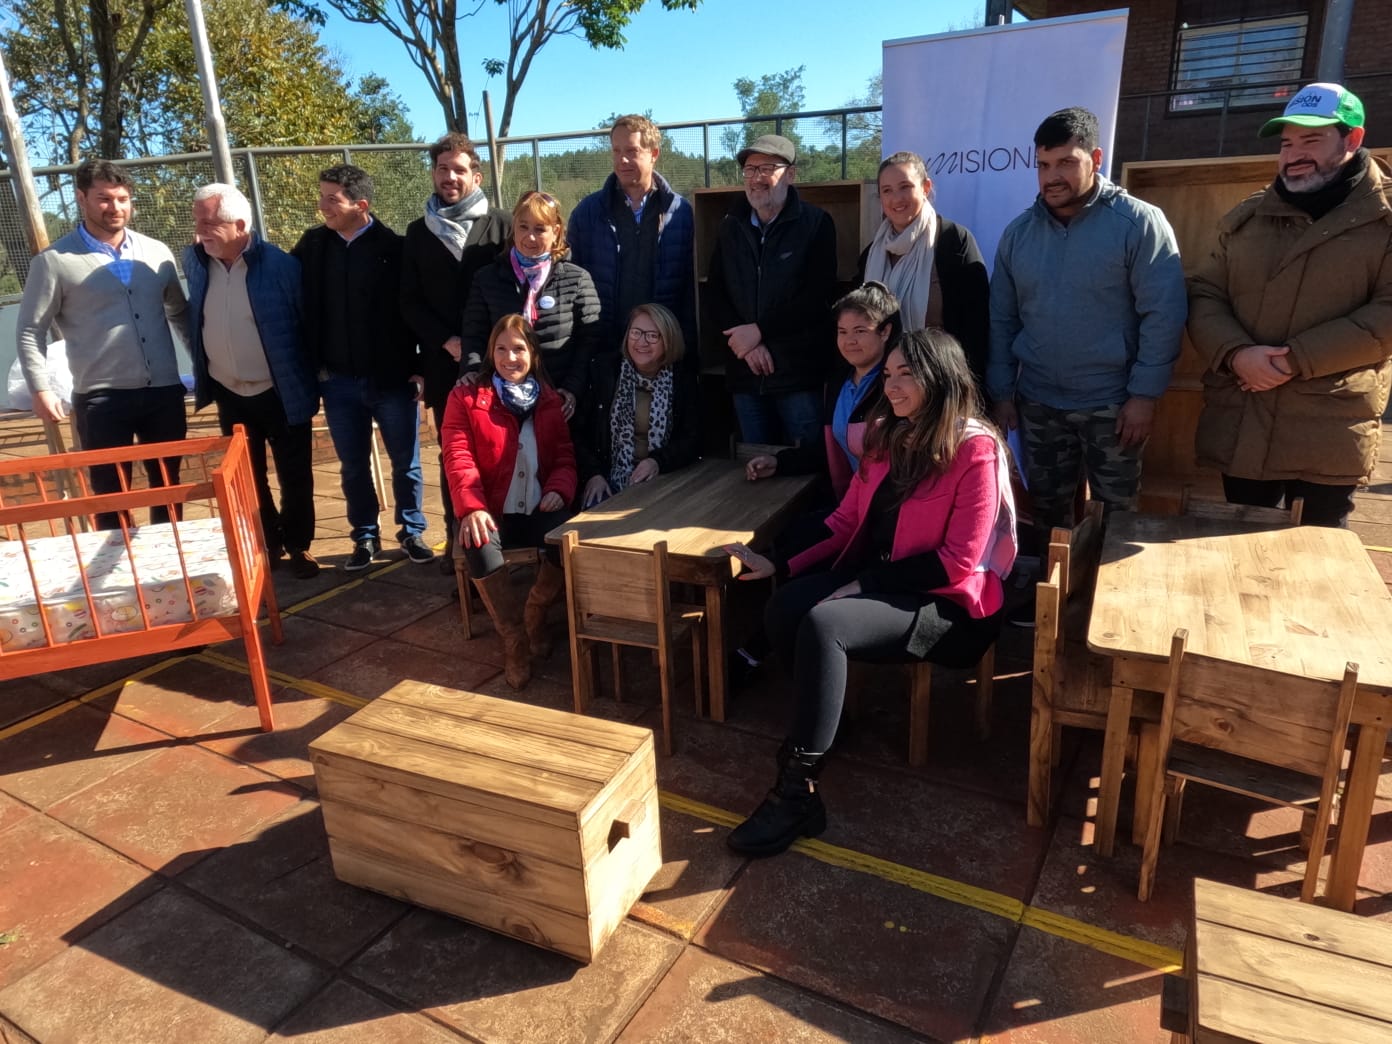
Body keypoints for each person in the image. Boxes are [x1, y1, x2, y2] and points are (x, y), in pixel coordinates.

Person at [723, 329, 1017, 857]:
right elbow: (843, 522)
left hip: (949, 604)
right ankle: (831, 721)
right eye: (890, 374)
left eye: (908, 374)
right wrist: (781, 564)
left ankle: (795, 793)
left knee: (824, 623)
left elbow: (958, 562)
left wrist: (867, 583)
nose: (895, 385)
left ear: (941, 379)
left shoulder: (975, 449)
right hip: (887, 577)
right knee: (784, 605)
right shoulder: (889, 437)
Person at [987, 107, 1186, 574]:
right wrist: (1001, 392)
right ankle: (1050, 608)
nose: (1051, 176)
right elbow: (1002, 318)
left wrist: (1144, 396)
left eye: (1065, 163)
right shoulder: (1018, 235)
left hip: (1113, 407)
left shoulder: (1138, 224)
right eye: (1043, 165)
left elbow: (1164, 314)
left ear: (1095, 158)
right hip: (1039, 404)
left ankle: (1111, 612)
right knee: (1049, 515)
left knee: (1119, 517)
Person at [1189, 83, 1392, 527]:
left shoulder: (1385, 218)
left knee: (1316, 565)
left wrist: (1295, 360)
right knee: (1234, 553)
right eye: (1286, 143)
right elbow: (1205, 293)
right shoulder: (1249, 216)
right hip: (1243, 422)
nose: (1293, 154)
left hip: (1327, 428)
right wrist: (1236, 354)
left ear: (1352, 139)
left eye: (1311, 140)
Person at [732, 282, 899, 682]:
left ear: (886, 332)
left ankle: (768, 652)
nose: (850, 340)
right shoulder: (840, 379)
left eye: (862, 330)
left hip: (881, 522)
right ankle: (771, 643)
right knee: (786, 535)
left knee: (801, 547)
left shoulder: (895, 387)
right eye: (843, 332)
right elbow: (832, 450)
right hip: (847, 505)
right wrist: (780, 461)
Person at [16, 158, 190, 529]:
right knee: (111, 495)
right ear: (82, 198)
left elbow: (179, 313)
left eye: (123, 198)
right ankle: (124, 578)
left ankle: (169, 572)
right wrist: (40, 388)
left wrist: (204, 367)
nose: (116, 208)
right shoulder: (54, 262)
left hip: (163, 393)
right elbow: (31, 329)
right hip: (102, 400)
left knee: (168, 488)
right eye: (104, 199)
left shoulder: (156, 251)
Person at [293, 164, 433, 572]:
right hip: (337, 383)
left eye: (331, 198)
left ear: (361, 204)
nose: (322, 206)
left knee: (405, 464)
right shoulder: (313, 246)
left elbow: (417, 310)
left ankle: (411, 532)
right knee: (353, 466)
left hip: (393, 381)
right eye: (321, 196)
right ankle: (365, 537)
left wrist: (421, 367)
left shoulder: (395, 248)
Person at [184, 183, 320, 578]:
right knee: (247, 473)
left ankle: (298, 545)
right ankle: (267, 541)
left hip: (280, 390)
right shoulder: (196, 261)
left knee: (295, 474)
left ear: (240, 224)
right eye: (198, 222)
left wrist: (310, 380)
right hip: (229, 390)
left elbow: (306, 325)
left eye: (209, 223)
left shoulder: (282, 267)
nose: (200, 232)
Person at [442, 314, 577, 690]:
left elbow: (565, 457)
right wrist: (471, 507)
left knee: (568, 539)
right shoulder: (466, 398)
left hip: (537, 507)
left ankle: (535, 614)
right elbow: (457, 456)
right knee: (478, 542)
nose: (509, 357)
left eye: (518, 348)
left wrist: (558, 489)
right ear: (490, 353)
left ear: (532, 353)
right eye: (501, 349)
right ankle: (515, 640)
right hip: (489, 509)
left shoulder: (549, 400)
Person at [401, 132, 511, 567]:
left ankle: (504, 541)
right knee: (457, 455)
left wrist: (493, 345)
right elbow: (407, 300)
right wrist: (446, 341)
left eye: (459, 169)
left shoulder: (503, 225)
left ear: (476, 175)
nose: (450, 177)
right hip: (446, 365)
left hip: (502, 362)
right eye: (442, 168)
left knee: (505, 449)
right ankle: (460, 549)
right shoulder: (417, 232)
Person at [705, 133, 837, 448]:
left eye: (767, 168)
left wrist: (761, 331)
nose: (756, 178)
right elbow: (715, 291)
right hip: (745, 373)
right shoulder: (730, 225)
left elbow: (817, 298)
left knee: (806, 470)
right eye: (750, 170)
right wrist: (747, 345)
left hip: (796, 375)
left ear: (790, 174)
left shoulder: (817, 224)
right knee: (755, 468)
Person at [461, 191, 600, 421]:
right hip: (502, 401)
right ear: (513, 227)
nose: (530, 237)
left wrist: (572, 389)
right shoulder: (486, 278)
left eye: (540, 229)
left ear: (556, 232)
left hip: (559, 401)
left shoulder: (577, 279)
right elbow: (474, 333)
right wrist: (471, 370)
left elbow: (590, 341)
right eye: (523, 227)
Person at [567, 114, 696, 358]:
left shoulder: (681, 213)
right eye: (616, 151)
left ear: (654, 154)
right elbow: (572, 280)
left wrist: (686, 347)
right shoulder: (588, 213)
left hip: (663, 351)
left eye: (632, 151)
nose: (622, 160)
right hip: (605, 349)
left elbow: (690, 289)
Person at [860, 151, 989, 390]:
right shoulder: (870, 255)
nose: (896, 198)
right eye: (887, 190)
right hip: (884, 385)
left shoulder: (953, 241)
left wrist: (970, 388)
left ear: (926, 187)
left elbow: (977, 324)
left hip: (941, 382)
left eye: (905, 187)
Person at [577, 303, 701, 509]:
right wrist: (593, 474)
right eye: (636, 333)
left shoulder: (682, 379)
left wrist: (658, 462)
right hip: (609, 477)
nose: (641, 342)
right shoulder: (604, 372)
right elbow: (579, 433)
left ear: (668, 340)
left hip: (665, 475)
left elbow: (693, 438)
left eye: (653, 335)